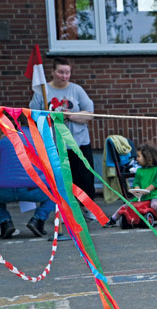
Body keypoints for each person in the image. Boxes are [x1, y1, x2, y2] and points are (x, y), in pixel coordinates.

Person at [29, 57, 96, 221]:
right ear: (52, 72)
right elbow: (32, 114)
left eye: (67, 72)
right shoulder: (42, 92)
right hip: (54, 144)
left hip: (78, 143)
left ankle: (88, 208)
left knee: (85, 178)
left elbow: (90, 114)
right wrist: (49, 117)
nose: (64, 76)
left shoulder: (77, 90)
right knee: (60, 178)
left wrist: (71, 116)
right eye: (60, 72)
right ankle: (64, 211)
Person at [0, 126, 55, 238]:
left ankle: (5, 222)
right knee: (55, 194)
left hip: (3, 190)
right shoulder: (38, 141)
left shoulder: (2, 142)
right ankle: (38, 220)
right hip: (31, 188)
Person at [105, 144, 157, 226]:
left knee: (154, 205)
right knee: (127, 205)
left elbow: (156, 182)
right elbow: (136, 182)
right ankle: (113, 219)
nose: (136, 159)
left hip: (155, 195)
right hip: (142, 196)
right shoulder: (139, 171)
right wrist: (137, 189)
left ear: (147, 157)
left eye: (138, 156)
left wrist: (146, 190)